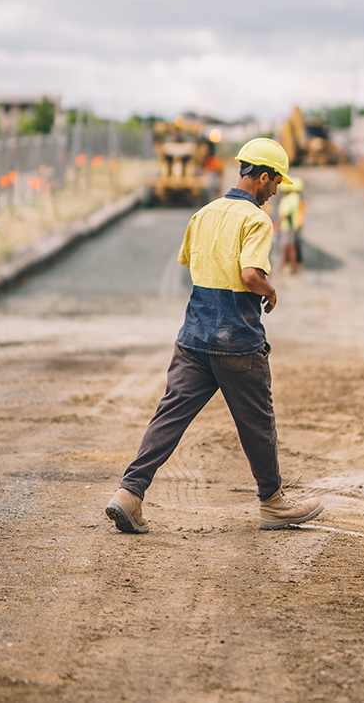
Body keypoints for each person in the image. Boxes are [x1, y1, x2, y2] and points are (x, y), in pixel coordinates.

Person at [105, 138, 324, 533]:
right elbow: (250, 275)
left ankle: (129, 493)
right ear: (261, 177)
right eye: (275, 183)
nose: (276, 191)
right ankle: (272, 503)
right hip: (237, 339)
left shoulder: (203, 214)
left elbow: (192, 264)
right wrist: (270, 291)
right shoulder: (256, 221)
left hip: (193, 336)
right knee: (257, 423)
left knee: (169, 415)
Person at [277, 177, 305, 272]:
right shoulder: (297, 198)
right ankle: (293, 265)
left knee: (286, 246)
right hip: (294, 225)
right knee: (292, 245)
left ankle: (286, 265)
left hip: (287, 226)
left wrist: (277, 225)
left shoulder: (290, 198)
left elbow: (285, 214)